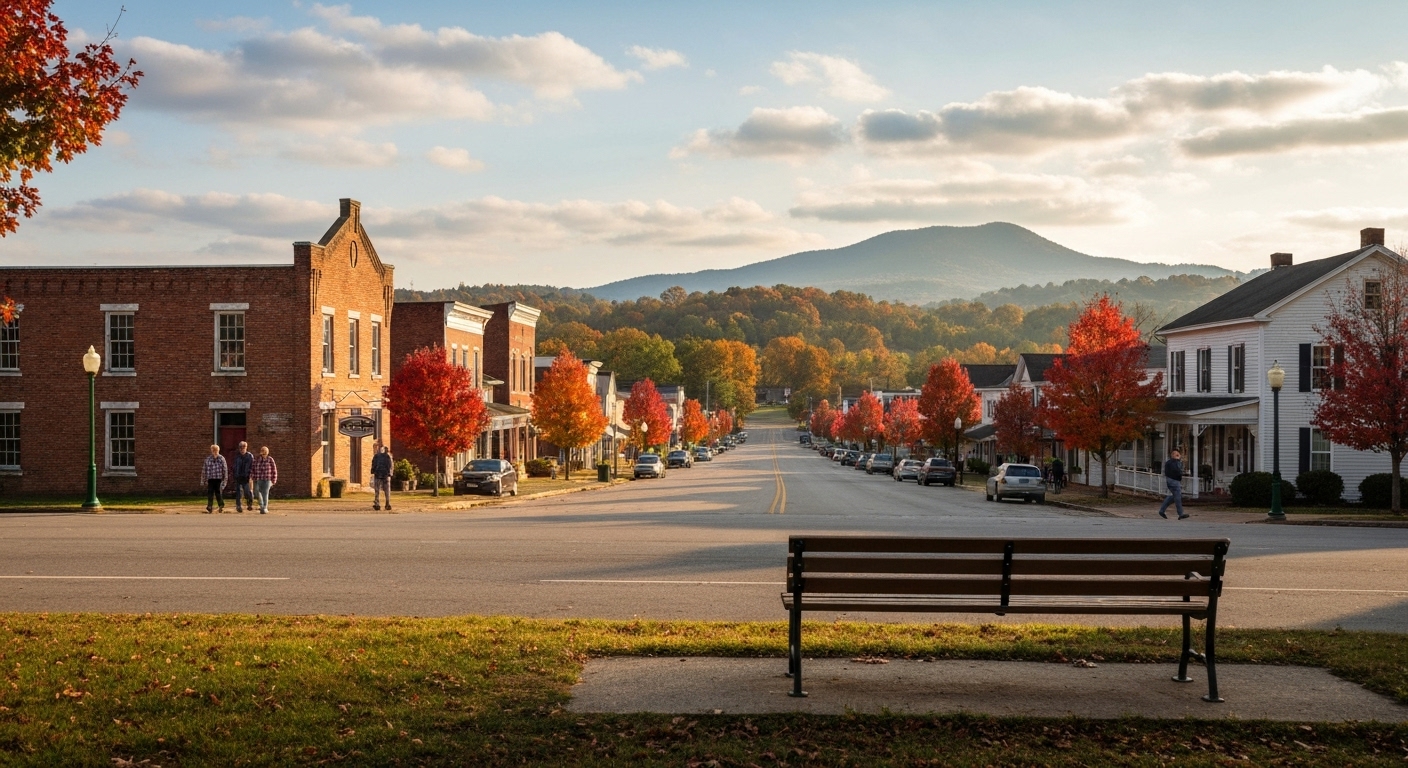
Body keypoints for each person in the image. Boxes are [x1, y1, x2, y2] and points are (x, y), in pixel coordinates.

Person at [1159, 449, 1189, 520]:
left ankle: (1162, 510)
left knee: (1174, 496)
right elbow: (1176, 471)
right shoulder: (1174, 462)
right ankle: (1180, 514)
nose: (1178, 456)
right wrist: (1181, 473)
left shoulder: (1170, 462)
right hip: (1174, 481)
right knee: (1178, 497)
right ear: (1172, 455)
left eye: (1178, 455)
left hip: (1172, 480)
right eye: (1176, 455)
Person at [202, 444, 229, 513]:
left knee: (218, 493)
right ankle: (209, 506)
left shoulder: (221, 459)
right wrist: (203, 480)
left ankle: (221, 505)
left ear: (218, 450)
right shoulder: (208, 459)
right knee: (210, 493)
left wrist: (225, 480)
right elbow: (204, 470)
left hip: (218, 479)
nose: (215, 452)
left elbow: (225, 470)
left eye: (216, 450)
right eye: (213, 450)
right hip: (210, 479)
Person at [250, 446, 278, 514]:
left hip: (267, 479)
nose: (263, 452)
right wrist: (252, 476)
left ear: (267, 452)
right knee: (257, 492)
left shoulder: (270, 459)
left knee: (265, 493)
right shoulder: (257, 459)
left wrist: (274, 479)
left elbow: (274, 470)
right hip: (259, 478)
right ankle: (261, 505)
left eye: (265, 451)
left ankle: (264, 507)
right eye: (262, 451)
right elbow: (253, 468)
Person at [230, 441, 254, 513]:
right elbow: (234, 466)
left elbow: (253, 466)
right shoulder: (237, 456)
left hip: (247, 477)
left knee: (248, 492)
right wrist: (234, 474)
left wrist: (251, 476)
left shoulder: (250, 456)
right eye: (240, 447)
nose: (242, 449)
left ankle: (249, 504)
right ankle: (238, 506)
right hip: (238, 476)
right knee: (239, 493)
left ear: (246, 448)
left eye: (243, 447)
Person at [370, 443, 393, 511]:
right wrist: (390, 473)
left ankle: (377, 504)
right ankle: (387, 504)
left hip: (378, 474)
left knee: (377, 490)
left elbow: (373, 464)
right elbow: (391, 465)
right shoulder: (388, 456)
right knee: (387, 490)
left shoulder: (376, 456)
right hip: (386, 475)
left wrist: (373, 471)